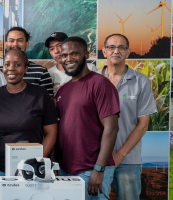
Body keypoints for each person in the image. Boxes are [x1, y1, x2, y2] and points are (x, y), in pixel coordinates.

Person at [0, 49, 58, 189]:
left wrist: (37, 160)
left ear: (25, 69)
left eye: (17, 65)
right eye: (7, 64)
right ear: (2, 68)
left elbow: (51, 133)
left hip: (32, 169)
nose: (11, 69)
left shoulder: (40, 95)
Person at [55, 37, 120, 200]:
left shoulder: (100, 84)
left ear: (86, 54)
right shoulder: (63, 90)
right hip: (65, 170)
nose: (68, 59)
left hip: (91, 170)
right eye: (64, 55)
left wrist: (98, 169)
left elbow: (111, 128)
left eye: (74, 54)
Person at [98, 33, 157, 200]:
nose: (116, 51)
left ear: (128, 52)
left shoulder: (141, 81)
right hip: (96, 158)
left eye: (121, 47)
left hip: (128, 160)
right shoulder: (92, 81)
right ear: (104, 51)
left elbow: (143, 125)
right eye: (111, 47)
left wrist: (120, 155)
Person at [0, 27, 54, 97]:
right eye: (11, 41)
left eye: (20, 41)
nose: (15, 44)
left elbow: (48, 103)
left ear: (27, 44)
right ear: (6, 45)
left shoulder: (41, 72)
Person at [45, 32, 97, 96]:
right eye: (51, 49)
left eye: (60, 45)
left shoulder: (89, 68)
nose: (56, 51)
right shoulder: (48, 74)